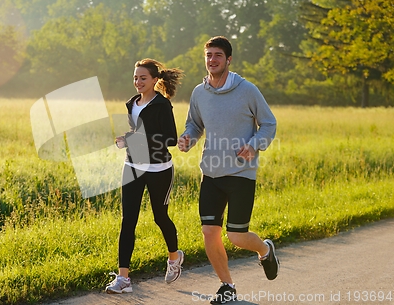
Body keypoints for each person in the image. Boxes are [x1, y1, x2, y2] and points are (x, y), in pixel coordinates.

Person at [177, 36, 279, 304]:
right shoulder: (199, 93)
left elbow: (268, 124)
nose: (212, 60)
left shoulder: (247, 90)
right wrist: (188, 137)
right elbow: (194, 125)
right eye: (208, 55)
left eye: (218, 55)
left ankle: (265, 249)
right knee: (210, 232)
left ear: (228, 59)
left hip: (240, 173)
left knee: (236, 235)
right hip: (210, 173)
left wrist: (255, 145)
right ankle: (227, 286)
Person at [105, 58, 185, 294]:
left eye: (143, 78)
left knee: (160, 217)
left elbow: (170, 138)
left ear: (154, 80)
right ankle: (123, 279)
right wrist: (127, 138)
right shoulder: (132, 103)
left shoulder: (162, 105)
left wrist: (133, 138)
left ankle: (174, 257)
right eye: (135, 78)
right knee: (128, 220)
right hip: (133, 165)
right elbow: (137, 132)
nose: (138, 82)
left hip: (159, 168)